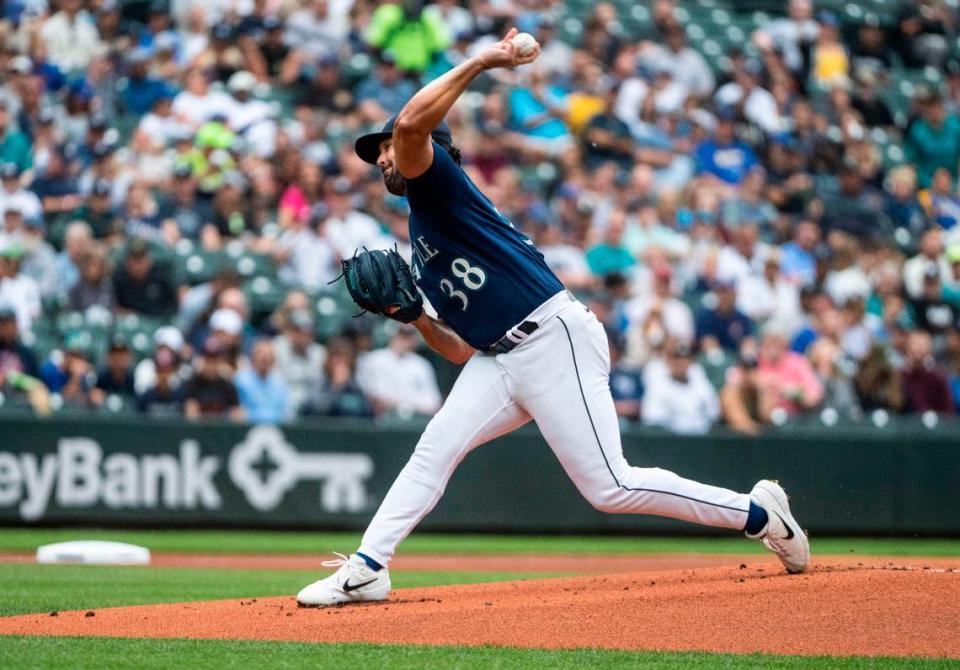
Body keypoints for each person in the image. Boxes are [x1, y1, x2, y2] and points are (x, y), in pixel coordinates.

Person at [295, 30, 809, 608]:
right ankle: (369, 567)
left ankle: (762, 515)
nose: (382, 156)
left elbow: (414, 125)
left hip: (553, 337)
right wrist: (415, 318)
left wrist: (483, 60)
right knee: (434, 449)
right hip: (499, 356)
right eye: (378, 152)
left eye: (385, 146)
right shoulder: (424, 232)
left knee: (611, 488)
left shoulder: (434, 181)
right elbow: (462, 350)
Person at [641, 339, 720, 435]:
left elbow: (713, 413)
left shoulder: (699, 379)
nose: (682, 363)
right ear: (669, 360)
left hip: (700, 439)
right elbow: (653, 420)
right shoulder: (658, 381)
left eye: (686, 358)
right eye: (677, 358)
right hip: (670, 441)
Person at [234, 338, 289, 424]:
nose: (265, 358)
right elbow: (237, 413)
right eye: (261, 355)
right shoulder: (240, 380)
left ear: (273, 360)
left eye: (268, 356)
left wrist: (250, 416)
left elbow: (284, 414)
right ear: (253, 357)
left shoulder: (280, 383)